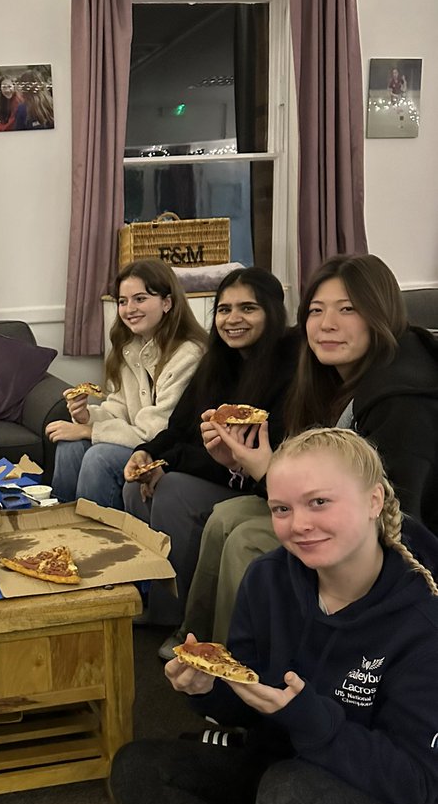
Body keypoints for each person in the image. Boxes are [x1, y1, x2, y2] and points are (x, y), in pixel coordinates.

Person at [111, 428, 438, 804]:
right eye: (282, 508)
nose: (298, 525)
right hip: (291, 778)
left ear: (373, 500)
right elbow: (252, 700)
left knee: (291, 788)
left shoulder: (421, 617)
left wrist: (306, 716)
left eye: (320, 503)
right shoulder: (268, 580)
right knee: (137, 769)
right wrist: (212, 692)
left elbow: (414, 780)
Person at [177, 253, 438, 646]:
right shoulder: (331, 378)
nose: (326, 324)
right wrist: (244, 463)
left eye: (347, 309)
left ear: (379, 313)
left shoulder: (402, 398)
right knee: (225, 517)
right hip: (331, 512)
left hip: (392, 541)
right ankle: (203, 645)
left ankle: (253, 670)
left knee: (247, 540)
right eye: (316, 310)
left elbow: (397, 519)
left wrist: (268, 471)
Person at [120, 268, 296, 637]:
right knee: (131, 487)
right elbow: (179, 427)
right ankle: (158, 598)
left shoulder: (291, 367)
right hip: (213, 472)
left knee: (171, 489)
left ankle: (184, 617)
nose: (232, 320)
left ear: (272, 311)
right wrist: (145, 453)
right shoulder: (218, 361)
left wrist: (166, 464)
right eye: (224, 309)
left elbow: (248, 456)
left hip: (259, 484)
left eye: (248, 308)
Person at [48, 258, 206, 510]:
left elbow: (157, 430)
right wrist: (87, 416)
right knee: (70, 446)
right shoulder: (129, 348)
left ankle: (96, 541)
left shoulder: (189, 354)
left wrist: (91, 431)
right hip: (138, 441)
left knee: (99, 457)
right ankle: (62, 530)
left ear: (167, 303)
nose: (129, 308)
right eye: (123, 301)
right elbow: (118, 408)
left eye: (140, 299)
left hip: (168, 450)